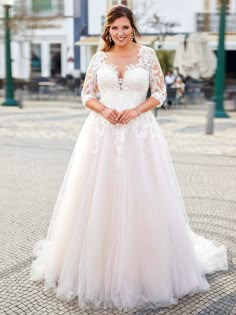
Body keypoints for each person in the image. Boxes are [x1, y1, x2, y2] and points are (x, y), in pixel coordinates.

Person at [30, 5, 228, 312]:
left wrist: (136, 109)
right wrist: (105, 109)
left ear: (132, 28)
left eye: (125, 28)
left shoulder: (147, 55)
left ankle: (144, 268)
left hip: (140, 134)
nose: (120, 34)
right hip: (101, 134)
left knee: (143, 195)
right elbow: (86, 94)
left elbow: (160, 93)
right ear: (107, 31)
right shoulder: (98, 58)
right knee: (98, 196)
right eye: (114, 29)